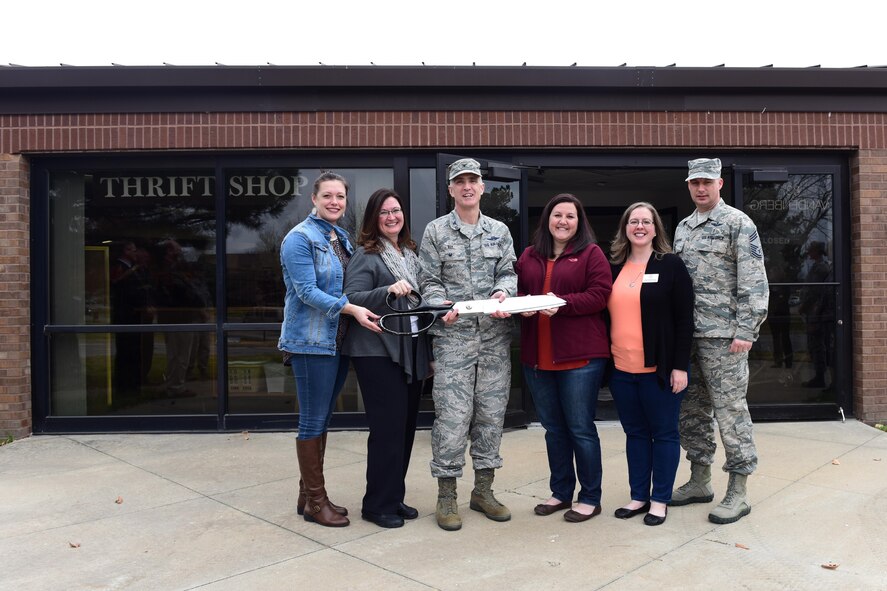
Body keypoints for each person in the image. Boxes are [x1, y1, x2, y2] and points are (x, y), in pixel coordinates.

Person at [418, 157, 517, 531]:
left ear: (482, 186)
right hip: (453, 339)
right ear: (450, 189)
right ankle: (447, 495)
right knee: (453, 419)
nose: (467, 186)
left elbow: (508, 271)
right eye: (460, 181)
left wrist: (502, 291)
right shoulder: (435, 232)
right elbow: (427, 279)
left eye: (473, 180)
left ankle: (483, 491)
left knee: (491, 416)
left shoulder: (499, 231)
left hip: (493, 339)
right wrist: (440, 302)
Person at [278, 172, 382, 528]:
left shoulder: (342, 237)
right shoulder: (299, 239)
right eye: (328, 196)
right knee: (312, 419)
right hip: (311, 343)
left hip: (336, 343)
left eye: (340, 196)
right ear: (314, 198)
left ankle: (307, 494)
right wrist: (350, 308)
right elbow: (306, 291)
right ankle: (316, 503)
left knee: (322, 418)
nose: (335, 202)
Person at [671, 158, 769, 524]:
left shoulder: (738, 223)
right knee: (692, 413)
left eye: (707, 182)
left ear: (720, 184)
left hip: (725, 338)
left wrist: (747, 330)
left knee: (730, 413)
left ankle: (739, 489)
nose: (701, 188)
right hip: (689, 337)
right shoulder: (683, 228)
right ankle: (700, 481)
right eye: (695, 182)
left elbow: (754, 280)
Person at [515, 193, 612, 523]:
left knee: (580, 428)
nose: (563, 221)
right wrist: (512, 303)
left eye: (570, 216)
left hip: (580, 359)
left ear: (579, 222)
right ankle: (560, 492)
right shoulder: (529, 255)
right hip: (538, 359)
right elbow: (517, 294)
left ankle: (590, 497)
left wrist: (564, 303)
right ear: (547, 219)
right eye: (557, 215)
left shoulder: (591, 254)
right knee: (553, 429)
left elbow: (600, 295)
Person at [342, 189, 432, 529]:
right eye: (384, 213)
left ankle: (393, 496)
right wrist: (387, 290)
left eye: (396, 210)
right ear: (373, 219)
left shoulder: (409, 253)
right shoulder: (368, 254)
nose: (392, 217)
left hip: (408, 349)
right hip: (377, 352)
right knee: (387, 431)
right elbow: (351, 296)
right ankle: (377, 505)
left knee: (405, 429)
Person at [607, 202, 694, 526]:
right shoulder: (613, 266)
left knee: (665, 434)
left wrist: (679, 366)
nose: (639, 226)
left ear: (656, 229)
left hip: (659, 371)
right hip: (621, 371)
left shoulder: (671, 265)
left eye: (646, 221)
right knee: (635, 434)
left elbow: (685, 320)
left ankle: (660, 500)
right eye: (633, 221)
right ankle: (638, 496)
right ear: (625, 229)